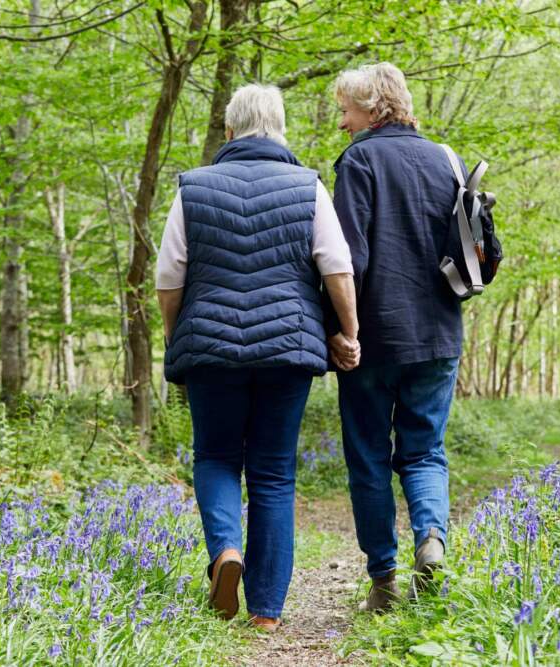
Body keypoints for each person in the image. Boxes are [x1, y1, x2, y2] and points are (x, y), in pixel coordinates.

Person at [156, 84, 360, 631]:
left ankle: (225, 552)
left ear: (228, 131)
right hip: (286, 349)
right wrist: (348, 331)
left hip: (211, 349)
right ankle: (266, 611)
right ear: (280, 130)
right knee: (273, 473)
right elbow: (336, 267)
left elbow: (169, 277)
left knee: (216, 457)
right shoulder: (307, 186)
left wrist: (179, 339)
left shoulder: (192, 188)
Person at [326, 62, 498, 611]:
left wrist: (341, 330)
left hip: (373, 338)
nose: (342, 122)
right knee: (425, 453)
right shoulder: (446, 158)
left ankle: (383, 581)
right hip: (438, 333)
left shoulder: (358, 161)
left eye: (346, 110)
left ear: (372, 108)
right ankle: (432, 539)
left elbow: (348, 258)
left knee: (370, 457)